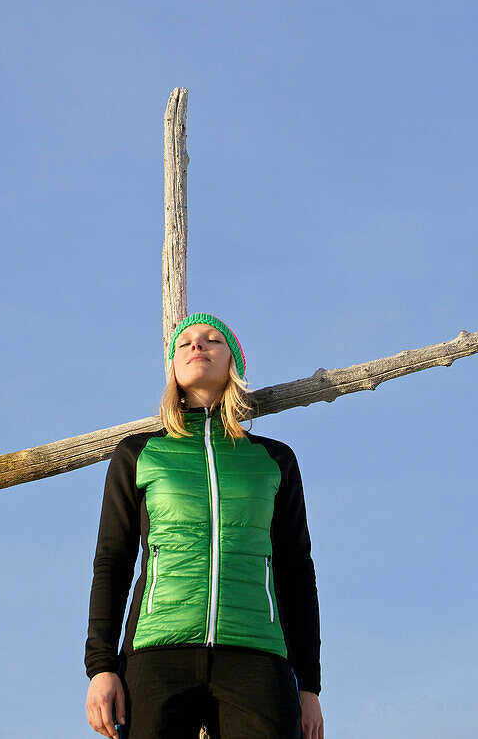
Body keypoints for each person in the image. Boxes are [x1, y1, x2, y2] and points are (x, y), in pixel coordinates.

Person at [85, 313, 324, 738]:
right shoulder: (140, 453)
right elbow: (112, 562)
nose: (197, 345)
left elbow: (297, 572)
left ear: (234, 363)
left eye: (212, 340)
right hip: (156, 654)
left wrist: (308, 686)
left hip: (257, 657)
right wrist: (101, 668)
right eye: (185, 342)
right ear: (173, 369)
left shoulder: (273, 459)